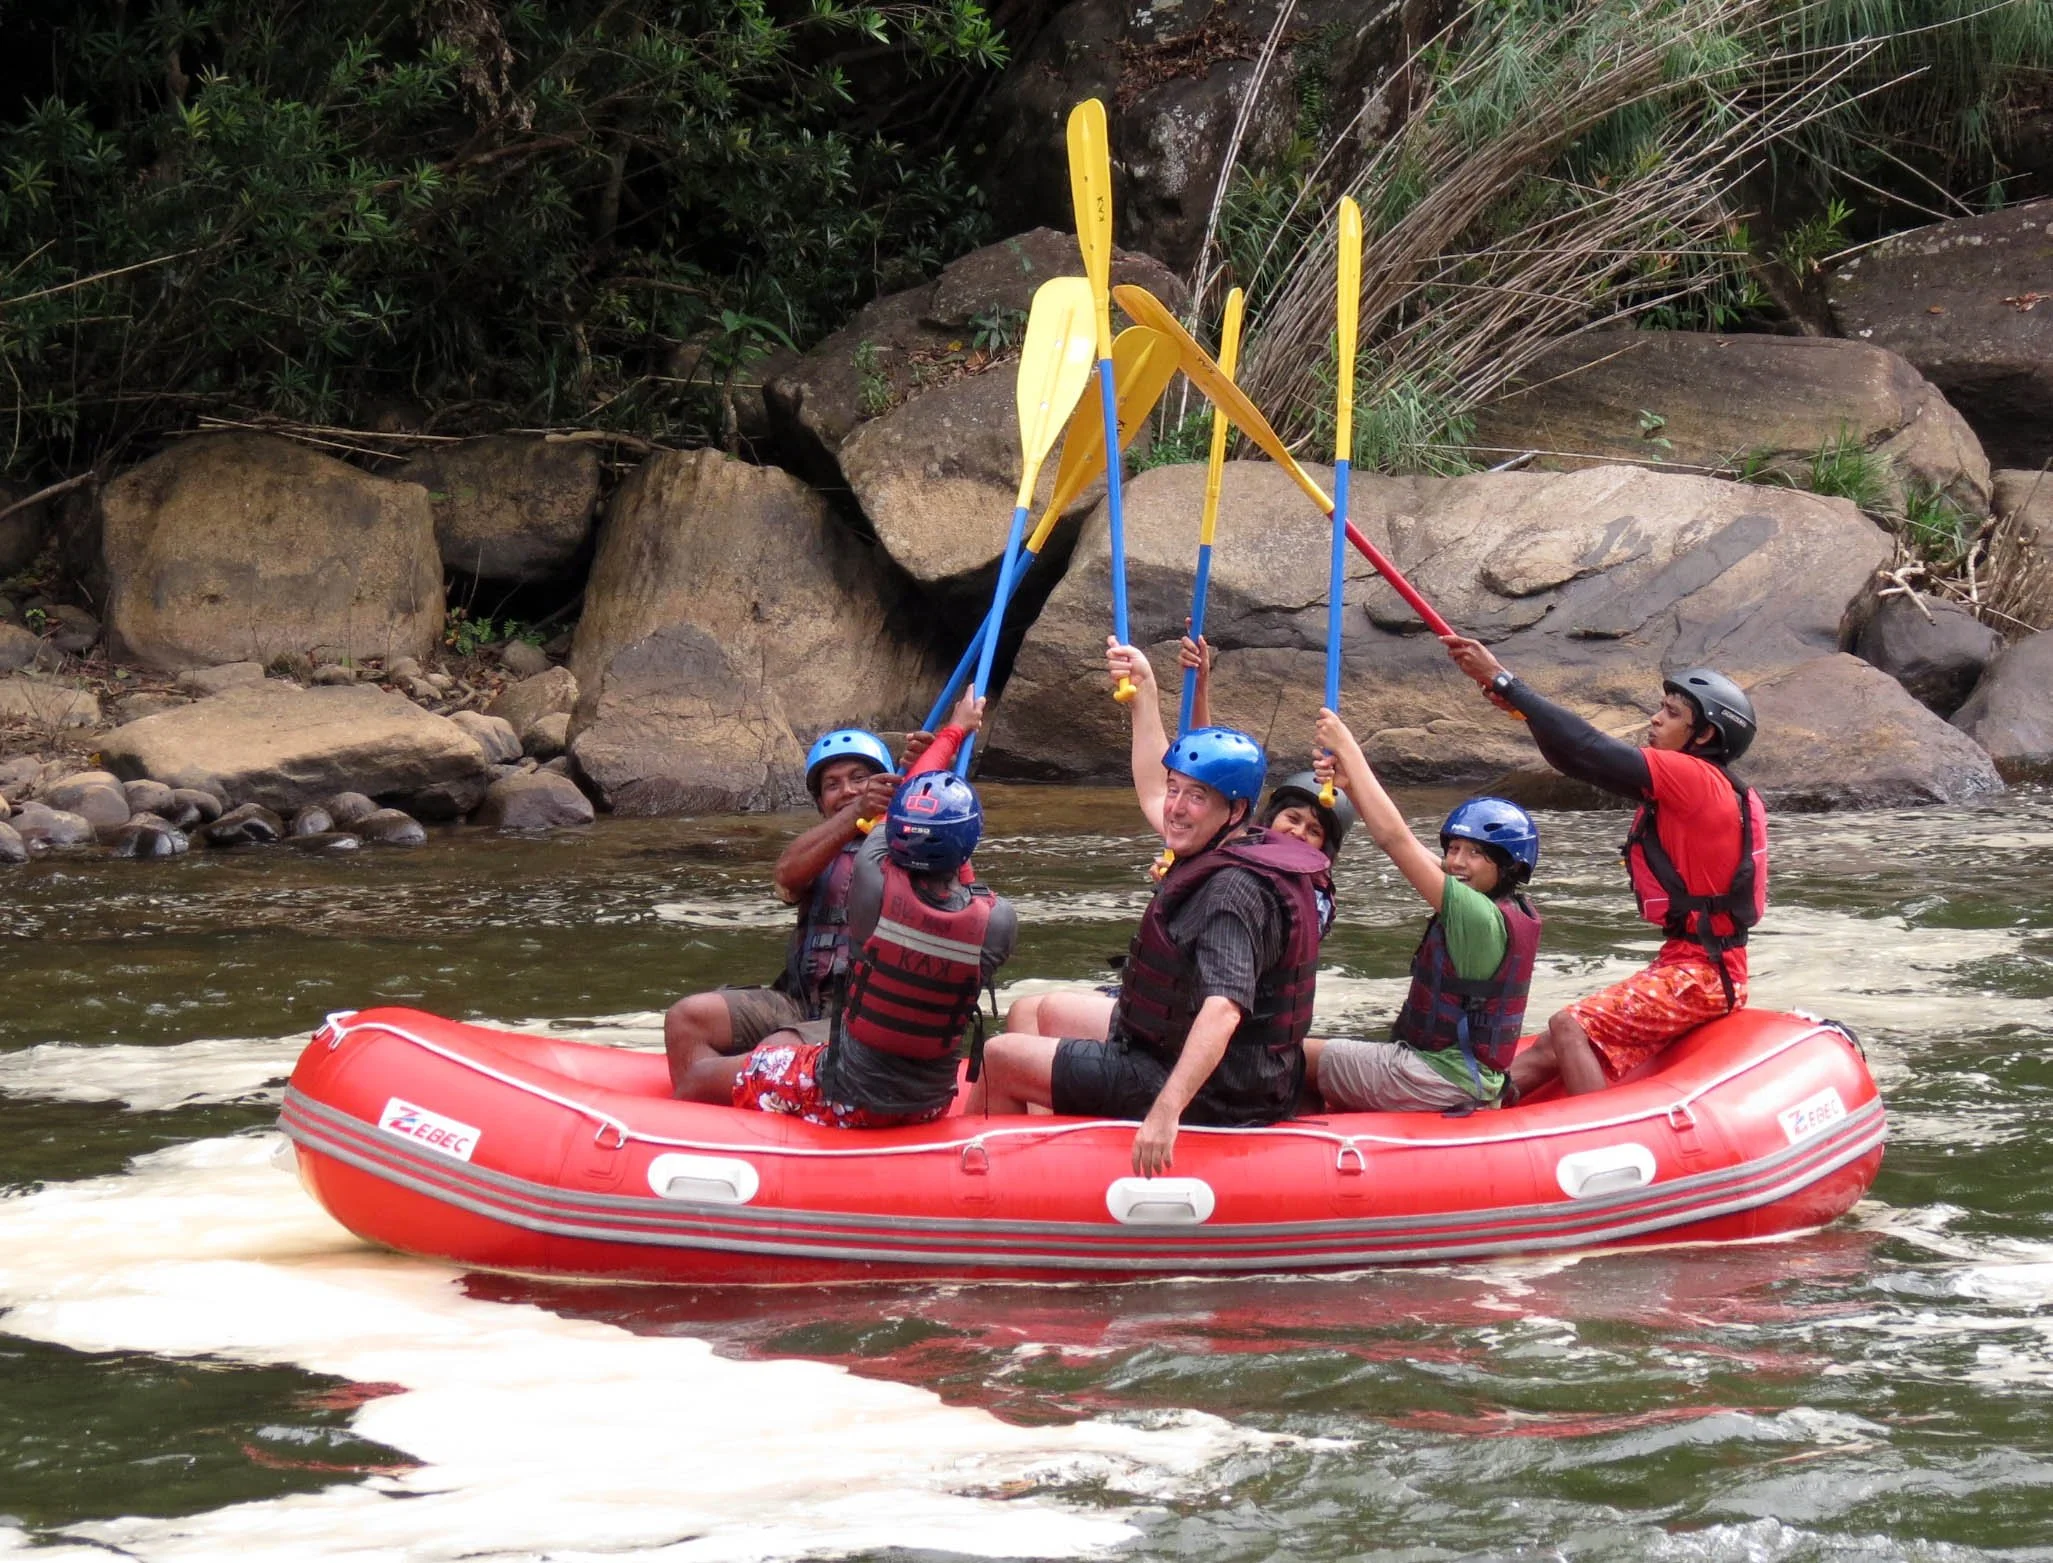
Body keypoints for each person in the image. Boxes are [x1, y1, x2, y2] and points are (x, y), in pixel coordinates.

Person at [972, 725, 1331, 1175]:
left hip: (1214, 1090)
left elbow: (1223, 1010)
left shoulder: (1233, 892)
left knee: (999, 1057)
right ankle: (1056, 1163)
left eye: (1197, 797)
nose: (1176, 809)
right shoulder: (1244, 845)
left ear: (1236, 810)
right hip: (1190, 1052)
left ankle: (979, 1189)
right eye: (1174, 790)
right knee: (1030, 1012)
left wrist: (1166, 1111)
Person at [1442, 638, 1767, 1097]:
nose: (1655, 718)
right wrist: (1523, 712)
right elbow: (1577, 761)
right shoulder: (1692, 785)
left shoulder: (1694, 778)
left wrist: (1505, 681)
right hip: (1691, 963)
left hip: (1705, 975)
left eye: (1672, 713)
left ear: (1705, 736)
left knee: (1568, 1026)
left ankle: (1601, 1140)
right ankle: (1474, 1111)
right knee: (1553, 1043)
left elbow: (1591, 747)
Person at [1004, 641, 1354, 1044]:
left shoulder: (1288, 891)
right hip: (1172, 1010)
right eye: (1293, 819)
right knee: (1027, 1010)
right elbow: (1175, 788)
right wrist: (1145, 692)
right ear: (1264, 819)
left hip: (1208, 1035)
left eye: (1313, 832)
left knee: (1036, 1016)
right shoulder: (1232, 849)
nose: (1298, 834)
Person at [659, 701, 970, 1096]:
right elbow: (786, 879)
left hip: (860, 1015)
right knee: (687, 1017)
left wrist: (937, 755)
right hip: (797, 1000)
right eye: (833, 784)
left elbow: (935, 814)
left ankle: (719, 1101)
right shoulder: (819, 848)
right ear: (821, 801)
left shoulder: (908, 845)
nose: (848, 790)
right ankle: (699, 1110)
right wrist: (857, 809)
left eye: (860, 778)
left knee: (775, 1053)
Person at [1302, 708, 1540, 1114]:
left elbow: (1395, 840)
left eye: (1476, 854)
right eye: (1453, 849)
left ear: (1509, 866)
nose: (1457, 862)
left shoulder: (1476, 917)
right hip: (1464, 1074)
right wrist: (1351, 788)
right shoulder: (1495, 904)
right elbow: (1407, 839)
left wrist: (1348, 747)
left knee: (1290, 1052)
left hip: (1439, 1078)